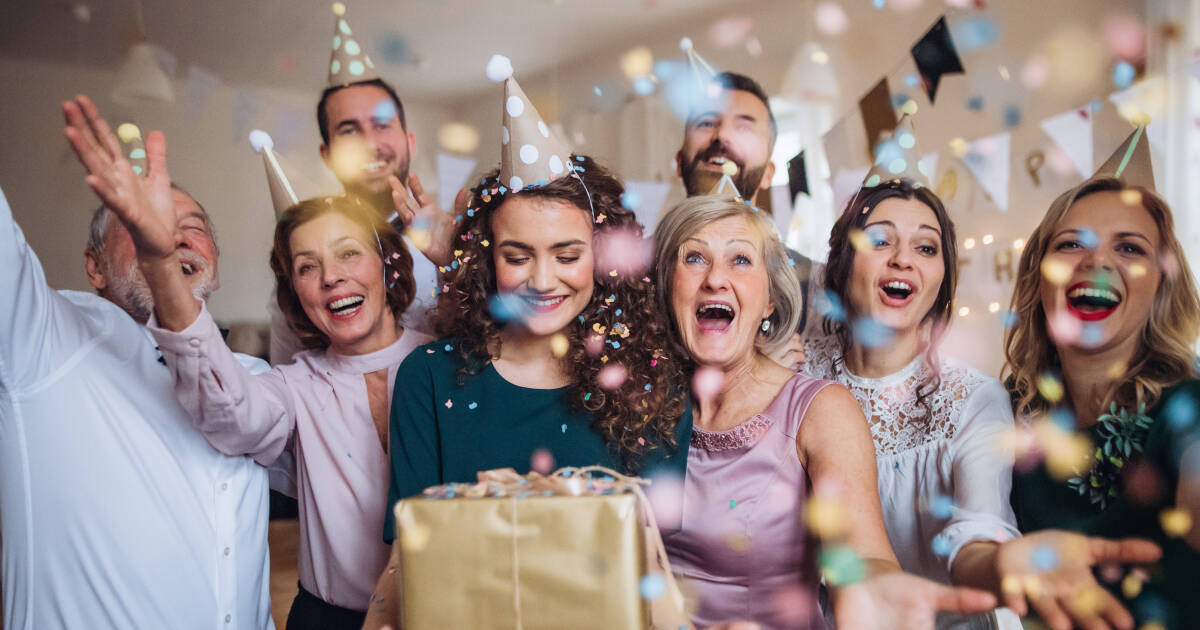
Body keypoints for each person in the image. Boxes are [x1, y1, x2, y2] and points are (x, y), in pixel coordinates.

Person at [64, 94, 433, 627]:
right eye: (308, 267)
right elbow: (229, 412)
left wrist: (461, 252)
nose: (331, 277)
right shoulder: (292, 387)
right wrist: (160, 261)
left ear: (386, 263)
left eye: (349, 253)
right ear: (295, 293)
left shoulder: (444, 356)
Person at [361, 64, 692, 629]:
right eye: (518, 257)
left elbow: (646, 559)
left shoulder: (650, 380)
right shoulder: (429, 377)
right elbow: (405, 559)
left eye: (567, 256)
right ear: (489, 260)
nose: (542, 281)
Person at [805, 118, 1161, 630]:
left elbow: (979, 525)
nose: (904, 259)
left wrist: (1000, 563)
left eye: (926, 248)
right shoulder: (795, 375)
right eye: (880, 241)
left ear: (941, 277)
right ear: (842, 262)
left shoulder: (976, 398)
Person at [653, 191, 1001, 629]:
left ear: (770, 301)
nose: (716, 279)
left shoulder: (821, 408)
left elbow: (864, 555)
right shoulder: (637, 406)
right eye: (694, 258)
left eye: (740, 260)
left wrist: (880, 593)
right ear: (666, 286)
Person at [0, 94, 273, 629]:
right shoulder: (39, 338)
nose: (166, 233)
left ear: (214, 265)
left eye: (190, 225)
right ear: (94, 267)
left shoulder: (255, 379)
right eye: (138, 220)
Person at [1005, 126, 1200, 630]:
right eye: (1072, 244)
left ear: (1160, 285)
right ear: (1038, 276)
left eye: (1130, 249)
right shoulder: (1012, 408)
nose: (1097, 261)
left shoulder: (1189, 407)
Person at [267, 6, 458, 364]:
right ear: (327, 154)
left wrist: (457, 266)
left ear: (409, 141)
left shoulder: (461, 244)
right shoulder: (304, 269)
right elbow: (288, 381)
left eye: (382, 124)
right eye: (349, 130)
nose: (370, 142)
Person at [676, 71, 817, 360]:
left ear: (768, 173)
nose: (722, 135)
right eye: (706, 122)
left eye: (744, 128)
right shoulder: (627, 277)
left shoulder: (817, 286)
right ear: (679, 162)